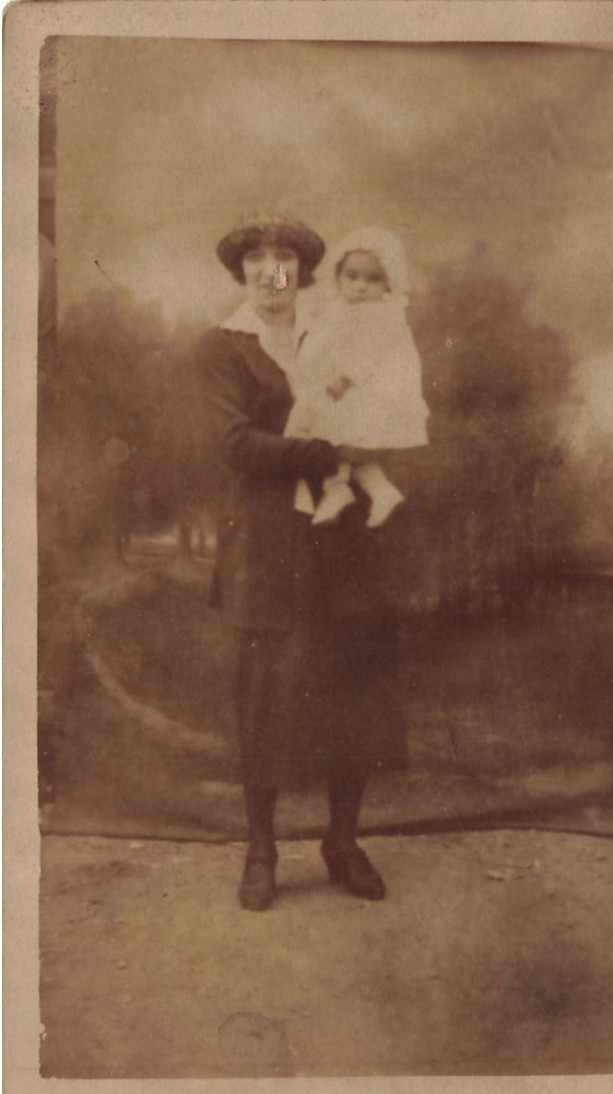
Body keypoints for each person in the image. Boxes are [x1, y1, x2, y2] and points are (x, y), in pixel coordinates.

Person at [197, 215, 407, 912]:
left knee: (352, 688)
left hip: (340, 537)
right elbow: (235, 443)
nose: (269, 272)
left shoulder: (339, 329)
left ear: (301, 273)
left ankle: (341, 841)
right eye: (255, 260)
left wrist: (361, 443)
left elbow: (379, 395)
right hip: (265, 543)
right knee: (266, 696)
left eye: (283, 260)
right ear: (242, 273)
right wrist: (328, 452)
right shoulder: (224, 347)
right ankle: (262, 850)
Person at [285, 227, 429, 527]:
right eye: (352, 276)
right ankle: (356, 490)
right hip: (337, 388)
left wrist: (344, 380)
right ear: (338, 276)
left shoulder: (380, 315)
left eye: (372, 279)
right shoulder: (340, 309)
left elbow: (367, 355)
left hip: (359, 391)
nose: (360, 286)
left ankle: (349, 490)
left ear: (388, 282)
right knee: (333, 442)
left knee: (339, 441)